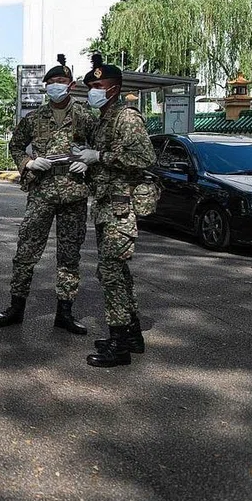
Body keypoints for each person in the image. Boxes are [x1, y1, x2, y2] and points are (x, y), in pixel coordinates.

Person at [0, 55, 98, 334]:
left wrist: (90, 161)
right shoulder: (34, 118)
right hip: (42, 192)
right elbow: (16, 146)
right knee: (26, 251)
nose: (55, 86)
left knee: (69, 255)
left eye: (60, 81)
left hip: (74, 193)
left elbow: (100, 148)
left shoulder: (86, 116)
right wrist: (28, 163)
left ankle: (64, 313)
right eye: (51, 82)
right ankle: (16, 308)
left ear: (71, 85)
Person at [75, 54, 156, 367]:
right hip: (107, 206)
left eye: (99, 86)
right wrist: (87, 160)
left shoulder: (126, 117)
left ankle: (119, 345)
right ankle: (132, 336)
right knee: (116, 273)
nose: (94, 91)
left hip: (120, 210)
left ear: (115, 89)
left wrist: (100, 157)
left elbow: (145, 158)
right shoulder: (104, 119)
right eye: (91, 87)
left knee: (111, 274)